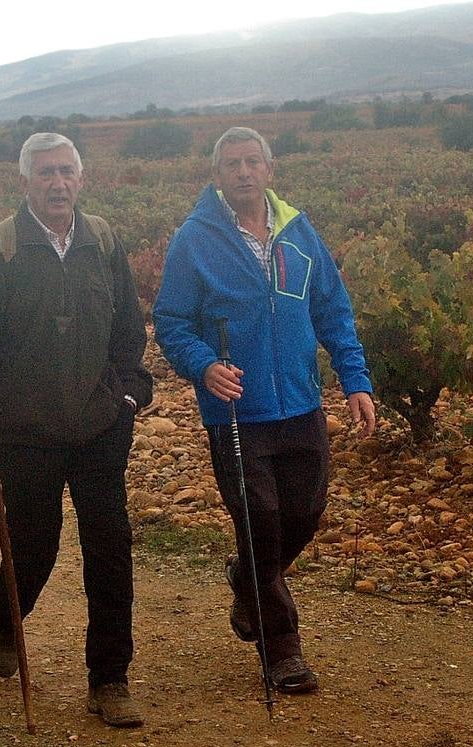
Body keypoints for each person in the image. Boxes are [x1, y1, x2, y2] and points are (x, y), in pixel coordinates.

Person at [153, 127, 376, 694]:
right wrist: (204, 366)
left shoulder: (300, 233)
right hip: (235, 410)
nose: (244, 172)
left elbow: (334, 310)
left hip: (300, 402)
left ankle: (246, 580)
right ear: (218, 175)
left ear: (270, 170)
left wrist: (356, 381)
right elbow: (172, 321)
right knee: (260, 521)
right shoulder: (193, 240)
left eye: (253, 162)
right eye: (232, 164)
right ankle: (283, 652)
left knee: (305, 513)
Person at [0, 133, 153, 727]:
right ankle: (6, 617)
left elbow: (129, 336)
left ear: (81, 180)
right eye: (45, 175)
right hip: (24, 433)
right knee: (34, 548)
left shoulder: (103, 242)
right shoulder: (2, 248)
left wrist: (130, 395)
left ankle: (109, 680)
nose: (57, 184)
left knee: (109, 548)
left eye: (66, 173)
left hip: (99, 426)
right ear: (25, 183)